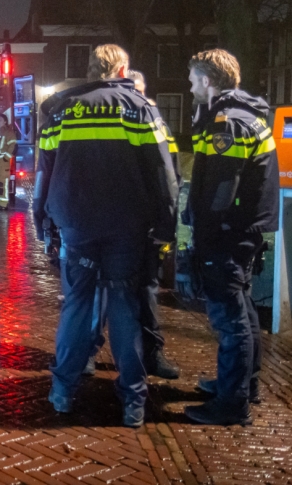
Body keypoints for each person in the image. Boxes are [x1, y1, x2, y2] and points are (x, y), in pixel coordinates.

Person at [34, 44, 178, 427]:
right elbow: (163, 174)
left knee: (77, 304)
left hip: (77, 225)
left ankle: (62, 391)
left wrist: (41, 219)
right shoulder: (139, 108)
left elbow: (44, 171)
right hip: (126, 226)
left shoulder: (63, 110)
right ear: (122, 69)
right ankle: (133, 401)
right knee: (124, 305)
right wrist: (166, 226)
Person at [182, 49, 278, 426]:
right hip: (243, 230)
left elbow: (222, 187)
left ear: (207, 80)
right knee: (243, 310)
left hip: (226, 234)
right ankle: (242, 386)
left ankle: (231, 403)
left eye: (193, 79)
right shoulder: (245, 114)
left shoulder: (228, 122)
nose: (190, 86)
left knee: (230, 319)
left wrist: (205, 232)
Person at [85, 69, 181, 380]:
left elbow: (171, 175)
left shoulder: (155, 123)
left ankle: (152, 353)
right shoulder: (115, 125)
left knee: (146, 291)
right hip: (118, 223)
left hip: (146, 225)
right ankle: (88, 351)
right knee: (102, 291)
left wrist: (165, 222)